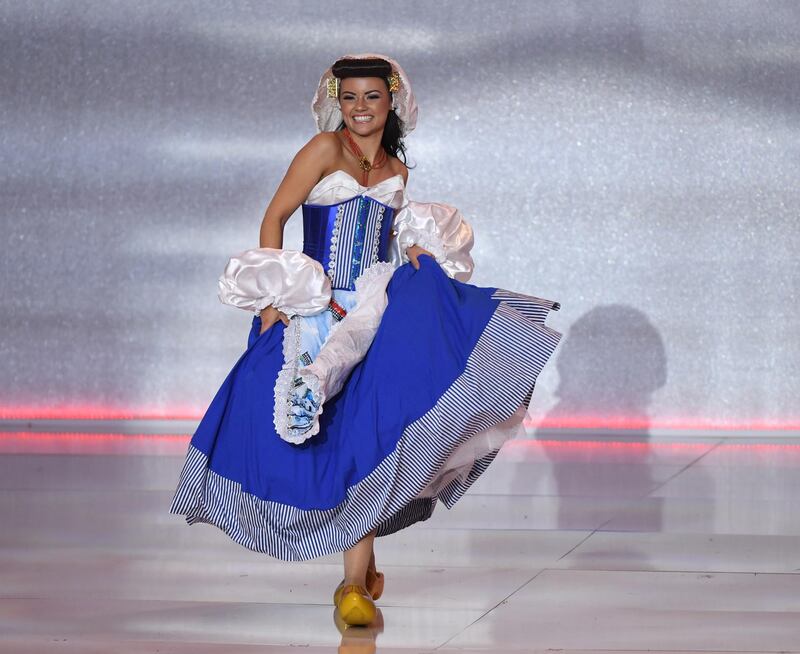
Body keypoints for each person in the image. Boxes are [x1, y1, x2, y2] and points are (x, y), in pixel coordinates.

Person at [170, 53, 562, 627]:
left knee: (374, 442)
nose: (359, 108)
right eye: (349, 96)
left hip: (374, 309)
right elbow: (275, 216)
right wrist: (276, 299)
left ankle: (353, 584)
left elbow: (393, 241)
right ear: (337, 99)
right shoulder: (323, 151)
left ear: (392, 101)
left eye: (371, 97)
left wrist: (419, 256)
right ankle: (358, 572)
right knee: (309, 431)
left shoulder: (398, 170)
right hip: (316, 306)